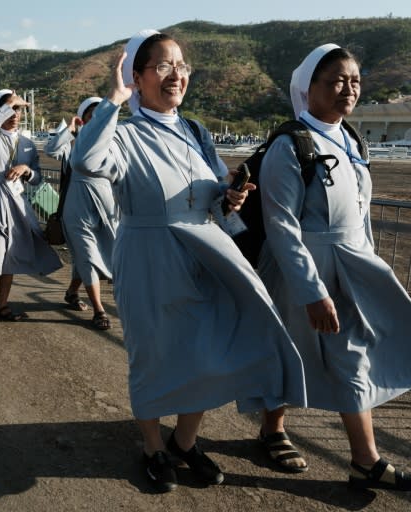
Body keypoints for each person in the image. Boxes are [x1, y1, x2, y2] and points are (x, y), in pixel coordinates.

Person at [69, 30, 306, 492]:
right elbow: (86, 162)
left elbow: (212, 197)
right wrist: (114, 99)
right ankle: (153, 448)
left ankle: (185, 441)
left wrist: (230, 197)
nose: (175, 74)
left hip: (204, 255)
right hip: (149, 257)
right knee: (153, 355)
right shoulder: (123, 132)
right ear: (137, 77)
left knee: (206, 353)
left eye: (181, 66)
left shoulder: (194, 132)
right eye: (161, 66)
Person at [256, 43, 411, 490]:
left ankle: (365, 460)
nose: (349, 89)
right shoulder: (290, 145)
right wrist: (311, 291)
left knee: (352, 356)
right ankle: (273, 429)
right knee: (288, 349)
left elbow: (360, 213)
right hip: (300, 269)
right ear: (310, 89)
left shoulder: (352, 140)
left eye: (355, 81)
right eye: (338, 80)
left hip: (350, 267)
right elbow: (281, 227)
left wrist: (371, 267)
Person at [0, 89, 62, 320]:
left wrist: (26, 170)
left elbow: (37, 178)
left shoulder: (27, 143)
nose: (15, 113)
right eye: (9, 108)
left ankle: (2, 305)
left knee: (12, 254)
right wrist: (9, 103)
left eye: (17, 109)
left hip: (16, 203)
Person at [44, 96, 117, 329]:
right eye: (90, 114)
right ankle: (99, 309)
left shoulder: (111, 143)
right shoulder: (72, 143)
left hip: (107, 207)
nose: (96, 118)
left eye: (100, 114)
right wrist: (69, 129)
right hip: (76, 208)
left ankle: (72, 292)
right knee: (86, 255)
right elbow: (51, 149)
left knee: (95, 255)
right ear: (82, 118)